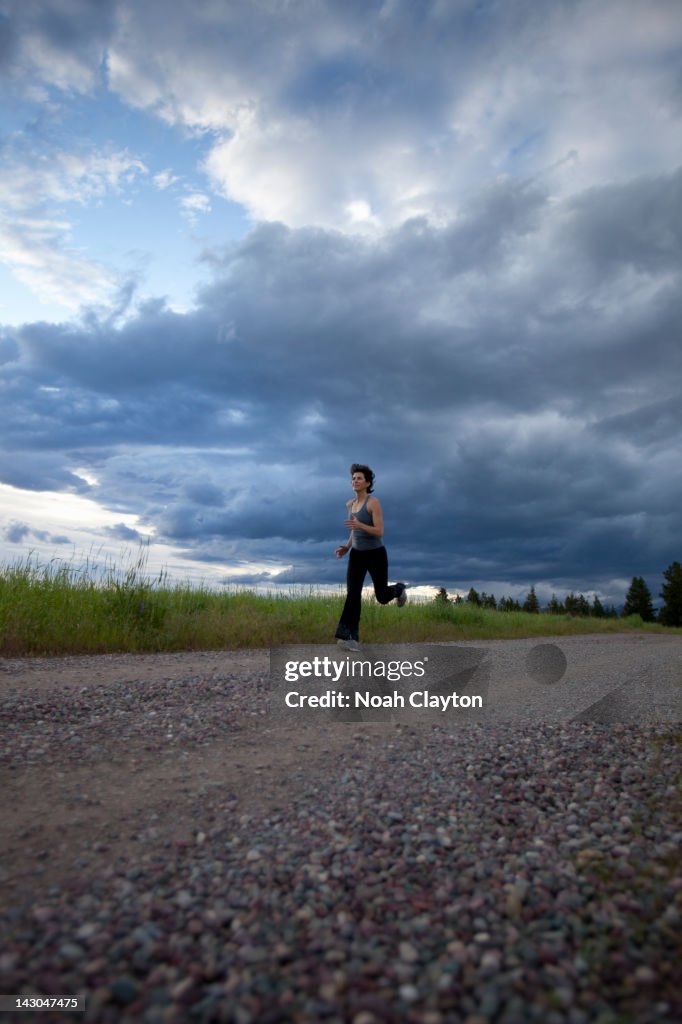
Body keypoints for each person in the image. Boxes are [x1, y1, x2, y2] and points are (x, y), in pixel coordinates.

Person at [334, 463, 407, 651]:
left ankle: (398, 589)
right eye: (353, 478)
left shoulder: (373, 503)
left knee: (382, 596)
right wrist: (347, 547)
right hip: (357, 555)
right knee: (353, 594)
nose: (355, 481)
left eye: (359, 478)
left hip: (376, 555)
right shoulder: (350, 504)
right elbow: (354, 530)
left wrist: (360, 526)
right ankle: (348, 637)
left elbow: (379, 531)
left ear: (367, 483)